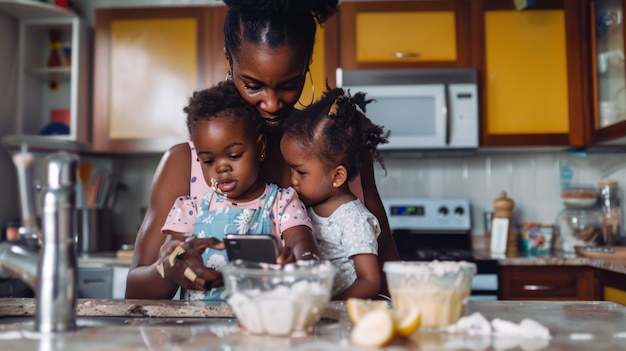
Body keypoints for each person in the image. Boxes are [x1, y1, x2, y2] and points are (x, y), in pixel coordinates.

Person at [125, 0, 400, 300]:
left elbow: (389, 279)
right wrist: (169, 268)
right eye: (253, 85)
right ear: (230, 63)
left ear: (307, 62)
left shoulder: (338, 148)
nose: (271, 103)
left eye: (288, 84)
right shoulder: (184, 163)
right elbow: (135, 292)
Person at [157, 80, 317, 300]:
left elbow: (302, 242)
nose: (222, 167)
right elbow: (168, 254)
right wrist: (176, 261)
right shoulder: (190, 209)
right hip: (199, 330)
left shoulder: (282, 203)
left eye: (234, 156)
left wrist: (298, 263)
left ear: (260, 148)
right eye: (208, 160)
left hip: (261, 325)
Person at [280, 87, 388, 300]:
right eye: (291, 170)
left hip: (342, 319)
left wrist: (329, 306)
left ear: (337, 176)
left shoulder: (353, 219)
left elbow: (369, 281)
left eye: (301, 172)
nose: (292, 180)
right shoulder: (303, 209)